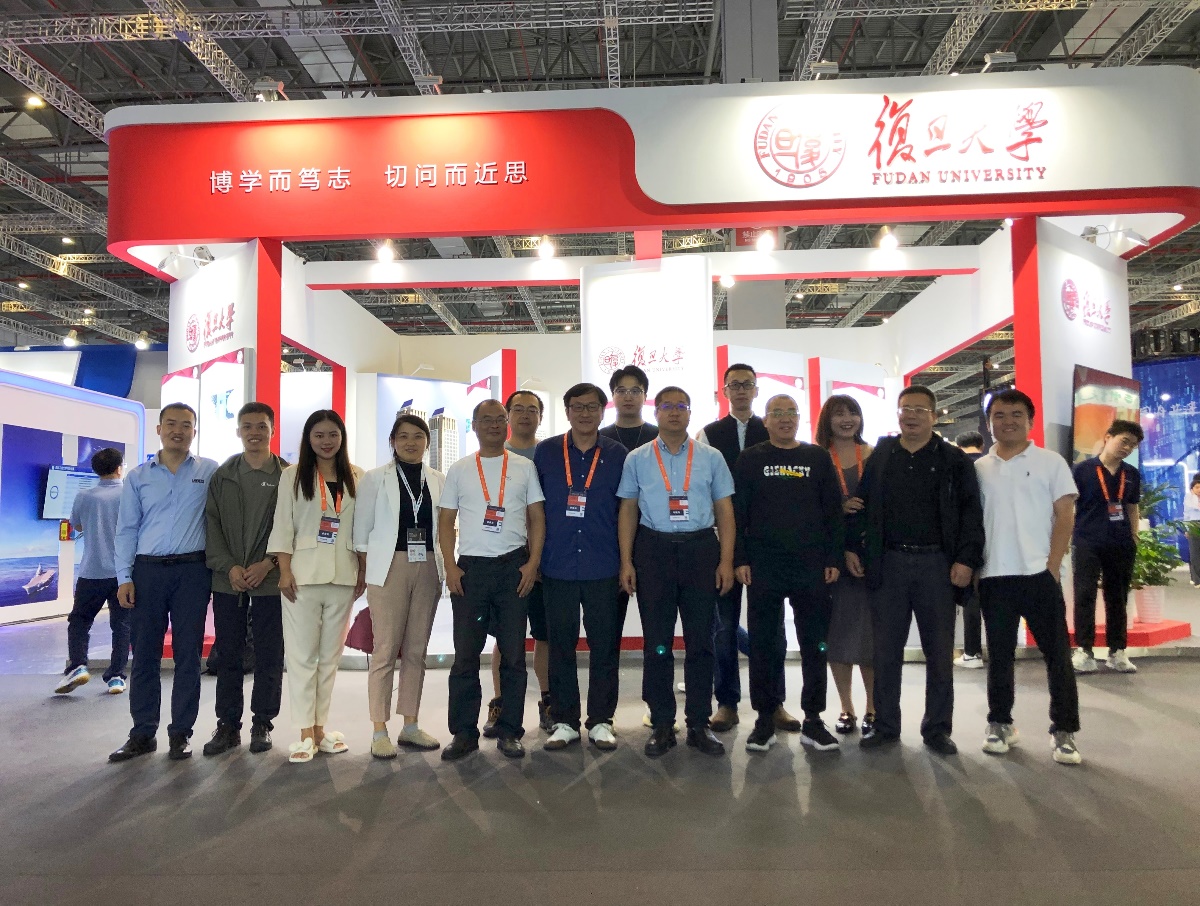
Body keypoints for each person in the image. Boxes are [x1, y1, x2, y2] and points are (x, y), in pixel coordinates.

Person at [846, 385, 983, 756]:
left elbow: (971, 513)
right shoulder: (882, 455)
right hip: (889, 563)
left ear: (934, 416)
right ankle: (886, 726)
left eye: (920, 409)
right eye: (905, 408)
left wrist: (966, 560)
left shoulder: (954, 459)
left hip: (937, 565)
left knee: (939, 652)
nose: (911, 415)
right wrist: (852, 546)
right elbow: (861, 504)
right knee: (886, 652)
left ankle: (937, 729)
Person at [618, 386, 736, 758]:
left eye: (681, 406)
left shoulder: (711, 457)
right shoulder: (638, 458)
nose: (674, 412)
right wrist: (626, 561)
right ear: (655, 413)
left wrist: (726, 561)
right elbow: (628, 510)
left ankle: (699, 723)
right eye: (666, 406)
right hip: (653, 550)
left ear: (689, 412)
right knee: (657, 642)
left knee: (702, 641)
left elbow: (725, 510)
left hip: (701, 550)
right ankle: (662, 723)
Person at [974, 389, 1082, 765]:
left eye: (1016, 414)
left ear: (1030, 421)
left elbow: (1065, 515)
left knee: (1057, 655)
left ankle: (1064, 730)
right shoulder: (979, 468)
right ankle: (1000, 723)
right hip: (994, 576)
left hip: (1039, 575)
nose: (1008, 421)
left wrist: (1052, 565)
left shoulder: (1051, 462)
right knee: (999, 657)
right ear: (989, 423)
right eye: (999, 415)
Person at [733, 395, 844, 753]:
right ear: (765, 421)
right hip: (764, 565)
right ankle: (764, 719)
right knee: (763, 645)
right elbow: (738, 512)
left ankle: (814, 718)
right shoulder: (750, 459)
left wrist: (833, 557)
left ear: (799, 419)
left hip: (811, 565)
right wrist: (740, 558)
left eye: (791, 412)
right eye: (776, 413)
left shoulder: (816, 457)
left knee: (815, 644)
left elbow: (833, 511)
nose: (784, 419)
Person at [109, 404, 218, 762]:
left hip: (192, 572)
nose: (178, 431)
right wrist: (124, 577)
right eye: (171, 424)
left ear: (194, 432)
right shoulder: (138, 477)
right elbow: (126, 529)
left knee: (188, 656)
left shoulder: (209, 471)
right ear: (158, 429)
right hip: (148, 572)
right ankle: (142, 733)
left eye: (186, 425)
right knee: (144, 655)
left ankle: (181, 733)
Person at [438, 399, 546, 761]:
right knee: (466, 656)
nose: (495, 425)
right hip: (471, 571)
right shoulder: (460, 469)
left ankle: (510, 730)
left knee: (513, 655)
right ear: (474, 425)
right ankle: (463, 733)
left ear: (507, 423)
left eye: (500, 419)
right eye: (487, 420)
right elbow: (445, 521)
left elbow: (537, 518)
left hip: (513, 568)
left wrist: (532, 563)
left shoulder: (524, 467)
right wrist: (450, 567)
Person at [696, 363, 797, 734]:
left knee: (772, 629)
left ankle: (774, 703)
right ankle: (726, 702)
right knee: (722, 629)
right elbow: (702, 486)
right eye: (734, 384)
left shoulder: (771, 429)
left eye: (747, 384)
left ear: (756, 391)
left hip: (766, 545)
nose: (741, 390)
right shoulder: (709, 434)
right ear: (724, 391)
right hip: (721, 544)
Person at [533, 383, 627, 751]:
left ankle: (601, 720)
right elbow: (533, 510)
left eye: (591, 407)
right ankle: (565, 721)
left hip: (604, 565)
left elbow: (626, 511)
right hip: (556, 564)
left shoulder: (619, 455)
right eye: (577, 406)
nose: (584, 413)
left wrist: (626, 562)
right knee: (560, 646)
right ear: (567, 411)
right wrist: (534, 557)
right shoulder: (546, 452)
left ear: (603, 411)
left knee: (605, 647)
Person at [268, 409, 365, 764]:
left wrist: (362, 569)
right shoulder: (292, 476)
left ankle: (320, 729)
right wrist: (284, 570)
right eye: (319, 435)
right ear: (308, 438)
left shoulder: (358, 476)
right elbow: (283, 525)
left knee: (329, 658)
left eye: (333, 435)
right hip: (303, 577)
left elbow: (362, 527)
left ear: (342, 438)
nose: (326, 441)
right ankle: (304, 732)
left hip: (344, 575)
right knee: (301, 657)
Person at [354, 413, 446, 758]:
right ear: (392, 441)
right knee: (385, 649)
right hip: (388, 566)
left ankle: (410, 725)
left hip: (428, 565)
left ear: (427, 442)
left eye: (418, 437)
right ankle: (379, 729)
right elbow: (361, 531)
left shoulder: (438, 479)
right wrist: (365, 572)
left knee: (417, 649)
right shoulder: (375, 478)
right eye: (403, 436)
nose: (411, 442)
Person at [202, 402, 288, 757]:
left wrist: (268, 564)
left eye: (262, 426)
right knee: (229, 655)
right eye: (248, 426)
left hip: (271, 579)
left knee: (270, 654)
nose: (255, 432)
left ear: (272, 430)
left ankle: (262, 723)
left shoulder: (287, 475)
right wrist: (229, 567)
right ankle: (227, 725)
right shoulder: (223, 475)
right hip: (229, 581)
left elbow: (294, 527)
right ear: (238, 430)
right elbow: (211, 525)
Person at [481, 390, 552, 738]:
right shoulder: (494, 454)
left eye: (532, 410)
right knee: (505, 637)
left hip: (545, 559)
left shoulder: (550, 454)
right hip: (504, 559)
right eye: (518, 409)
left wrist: (537, 557)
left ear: (541, 416)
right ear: (508, 415)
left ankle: (548, 702)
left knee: (544, 634)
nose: (525, 415)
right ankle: (500, 703)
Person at [815, 395, 876, 736]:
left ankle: (873, 708)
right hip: (833, 562)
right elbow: (810, 510)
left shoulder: (875, 455)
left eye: (853, 412)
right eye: (839, 414)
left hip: (870, 559)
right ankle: (846, 708)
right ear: (827, 419)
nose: (847, 419)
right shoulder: (816, 458)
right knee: (837, 636)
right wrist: (838, 510)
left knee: (870, 637)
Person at [1071, 419, 1144, 675]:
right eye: (1124, 441)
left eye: (1132, 445)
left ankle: (1117, 651)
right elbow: (1069, 505)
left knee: (1118, 597)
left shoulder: (1131, 474)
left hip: (1121, 542)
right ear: (1108, 436)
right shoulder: (1081, 470)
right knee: (1084, 594)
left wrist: (1134, 535)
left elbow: (1132, 507)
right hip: (1087, 540)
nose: (1127, 448)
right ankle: (1084, 650)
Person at [55, 447, 129, 696]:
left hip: (91, 571)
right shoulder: (129, 494)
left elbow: (76, 525)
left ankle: (77, 666)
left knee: (80, 620)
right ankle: (116, 677)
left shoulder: (83, 496)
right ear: (119, 468)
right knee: (122, 626)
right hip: (123, 574)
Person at [952, 430, 987, 671]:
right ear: (981, 445)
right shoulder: (988, 465)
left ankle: (972, 652)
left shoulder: (957, 465)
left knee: (971, 597)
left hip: (966, 541)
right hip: (993, 538)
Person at [600, 364, 659, 451]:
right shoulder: (600, 437)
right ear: (612, 396)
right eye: (621, 391)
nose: (628, 398)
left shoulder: (658, 436)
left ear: (645, 397)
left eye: (635, 391)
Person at [1184, 474, 1200, 587]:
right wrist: (1186, 529)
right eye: (1197, 487)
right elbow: (1187, 513)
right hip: (1193, 524)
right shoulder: (1189, 497)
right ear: (1192, 488)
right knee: (1195, 553)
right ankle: (1197, 579)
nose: (1199, 489)